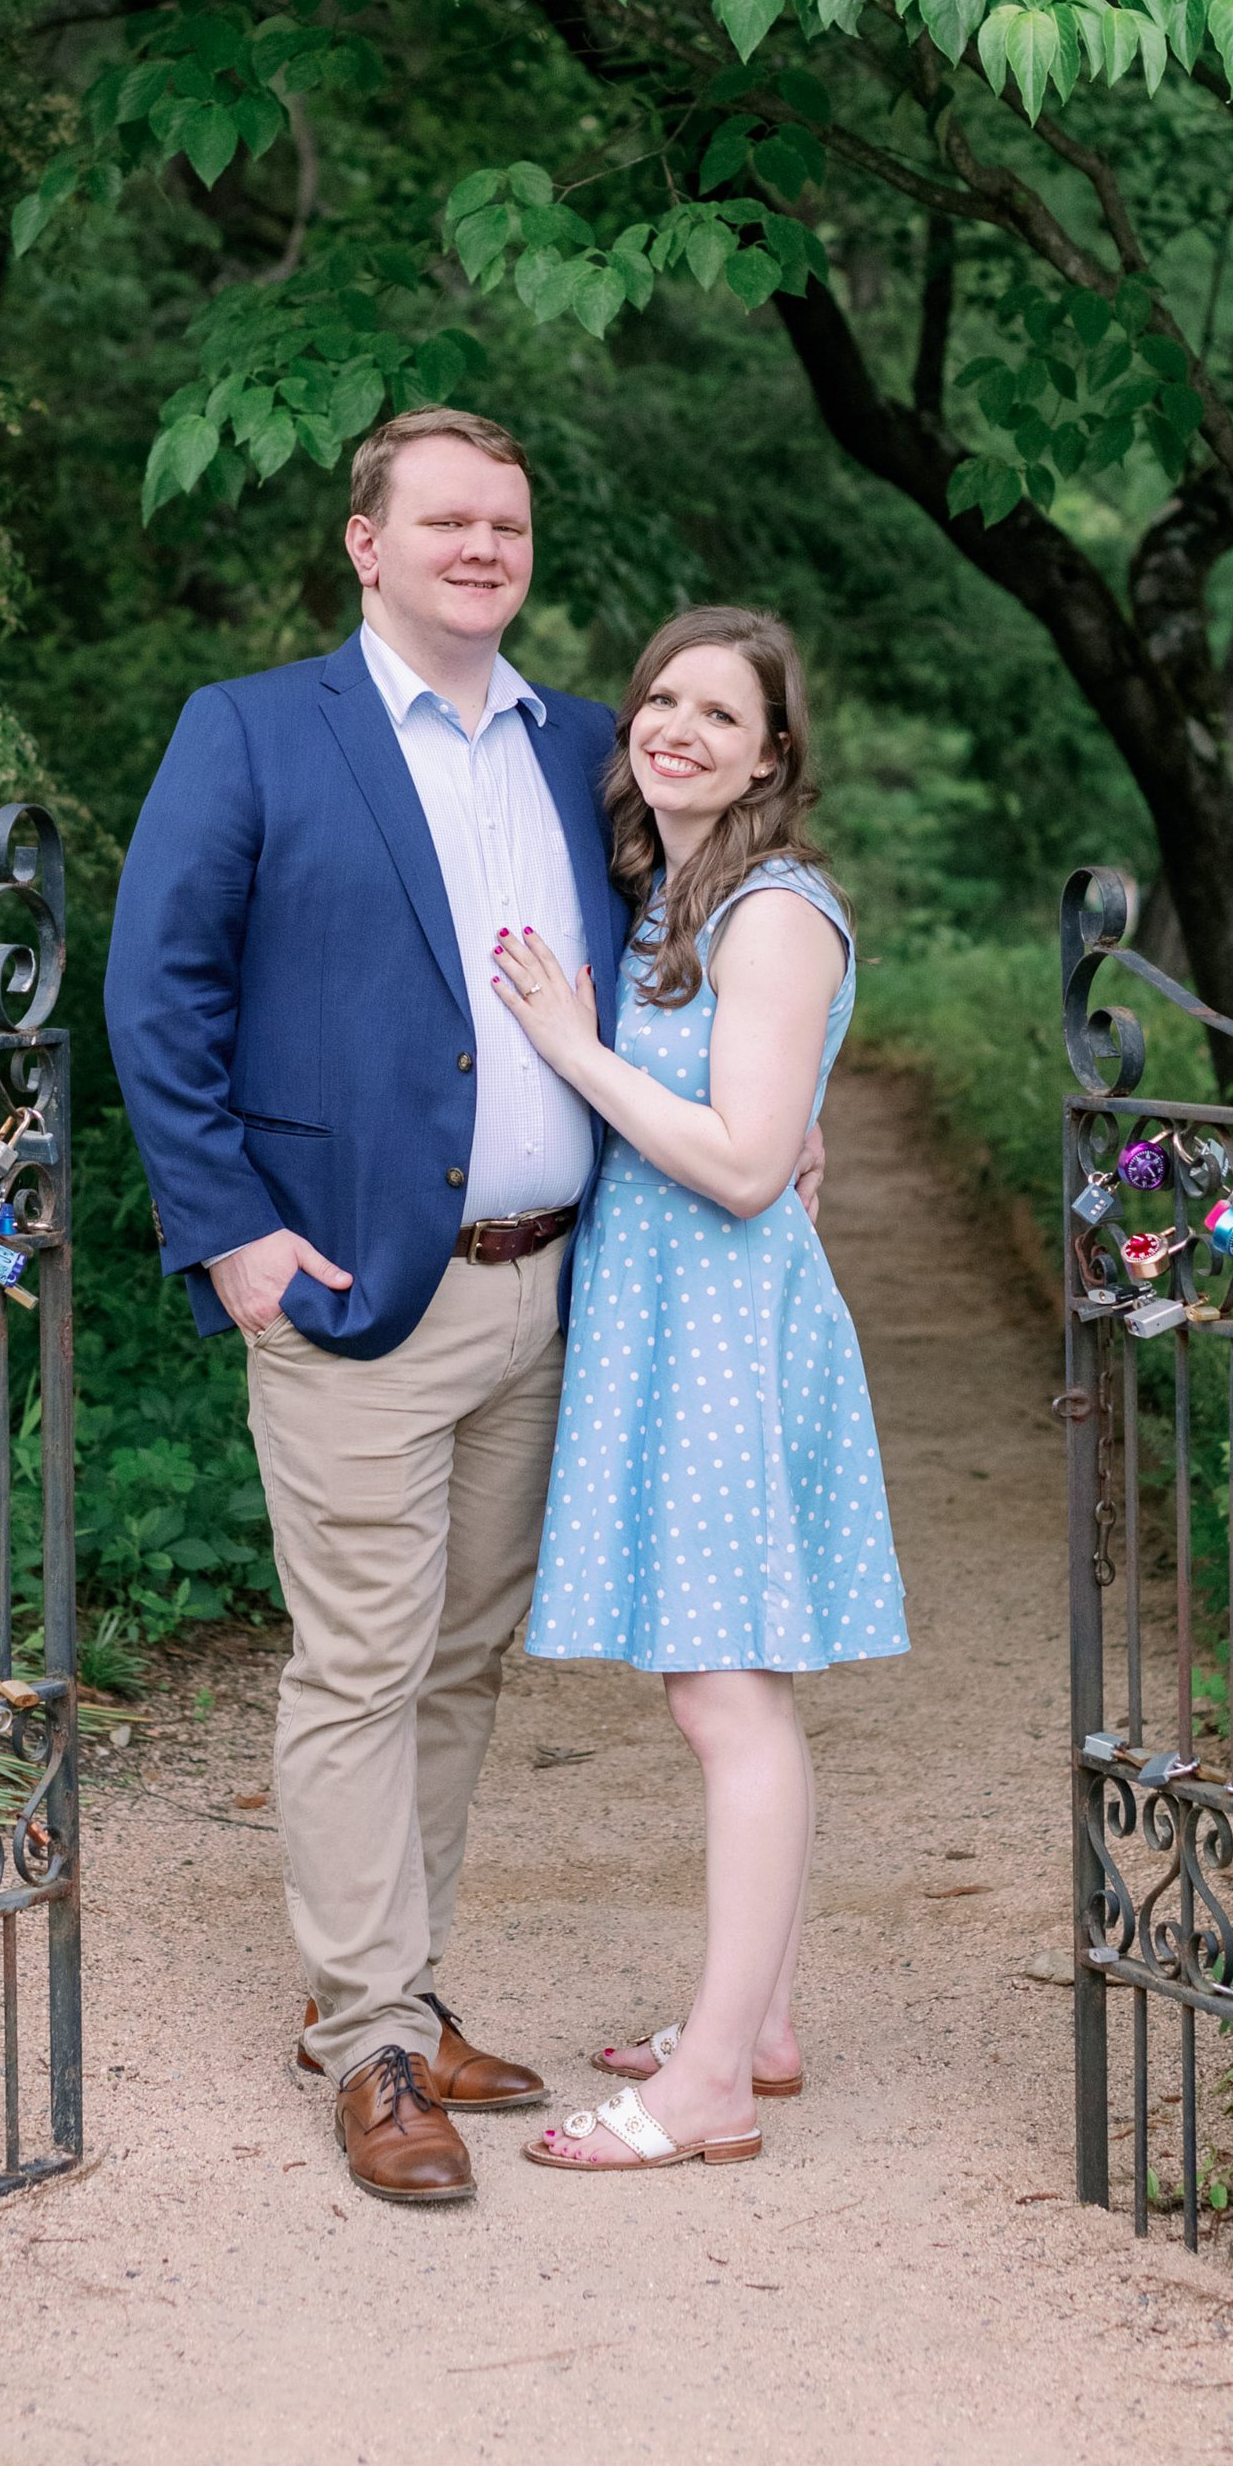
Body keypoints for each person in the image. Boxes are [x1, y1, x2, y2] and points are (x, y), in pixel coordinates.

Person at [104, 408, 627, 2208]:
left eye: (509, 520)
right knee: (358, 1662)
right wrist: (229, 1229)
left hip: (543, 1281)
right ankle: (370, 2045)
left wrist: (765, 1129)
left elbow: (661, 966)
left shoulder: (583, 746)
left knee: (464, 1663)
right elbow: (153, 987)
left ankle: (393, 1987)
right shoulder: (254, 730)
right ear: (366, 544)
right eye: (448, 519)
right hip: (345, 1294)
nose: (483, 546)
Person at [488, 606, 908, 2176]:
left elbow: (740, 1166)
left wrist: (575, 1051)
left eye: (720, 714)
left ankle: (713, 2082)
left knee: (725, 1697)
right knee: (726, 1691)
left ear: (773, 754)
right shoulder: (678, 892)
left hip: (729, 1325)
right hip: (674, 1319)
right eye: (659, 699)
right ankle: (761, 2022)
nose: (676, 728)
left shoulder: (774, 910)